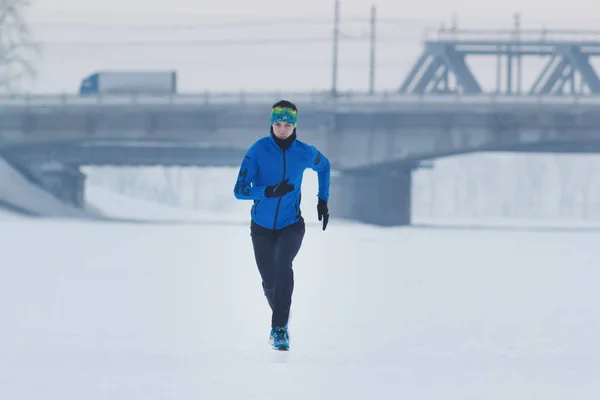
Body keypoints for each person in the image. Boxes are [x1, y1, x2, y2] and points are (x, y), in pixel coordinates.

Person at [233, 100, 330, 351]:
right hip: (261, 228)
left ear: (295, 125)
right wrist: (269, 191)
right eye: (277, 124)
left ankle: (279, 329)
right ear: (271, 124)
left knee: (282, 264)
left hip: (291, 225)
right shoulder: (257, 151)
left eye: (287, 125)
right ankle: (281, 312)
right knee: (270, 284)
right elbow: (240, 191)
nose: (282, 130)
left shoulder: (305, 152)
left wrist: (323, 200)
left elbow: (325, 166)